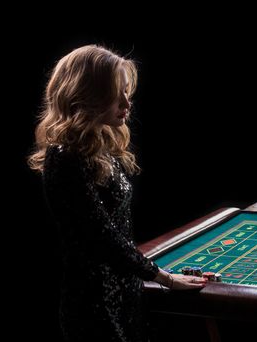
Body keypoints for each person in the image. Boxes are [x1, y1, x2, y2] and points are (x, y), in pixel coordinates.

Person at [27, 45, 207, 342]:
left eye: (127, 91)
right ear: (88, 94)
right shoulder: (65, 157)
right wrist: (163, 277)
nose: (127, 101)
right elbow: (102, 237)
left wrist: (143, 276)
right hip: (94, 305)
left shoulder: (97, 147)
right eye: (116, 93)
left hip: (125, 293)